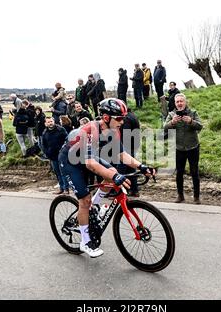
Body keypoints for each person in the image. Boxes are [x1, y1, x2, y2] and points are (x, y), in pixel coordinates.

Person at [58, 98, 155, 258]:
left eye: (123, 118)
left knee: (112, 173)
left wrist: (141, 166)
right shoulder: (89, 130)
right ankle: (85, 241)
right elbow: (90, 165)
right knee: (85, 200)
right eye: (119, 118)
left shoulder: (113, 131)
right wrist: (115, 176)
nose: (122, 122)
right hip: (70, 161)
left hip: (87, 157)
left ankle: (95, 205)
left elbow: (122, 155)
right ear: (106, 118)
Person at [164, 93, 203, 204]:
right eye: (177, 102)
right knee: (179, 172)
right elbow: (164, 127)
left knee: (194, 172)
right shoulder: (171, 114)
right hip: (178, 148)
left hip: (193, 147)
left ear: (185, 102)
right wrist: (172, 122)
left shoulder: (193, 113)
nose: (179, 103)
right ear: (175, 104)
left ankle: (196, 197)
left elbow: (200, 126)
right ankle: (180, 196)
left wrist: (191, 121)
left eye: (181, 101)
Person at [40, 117, 69, 195]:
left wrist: (64, 151)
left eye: (51, 121)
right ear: (46, 123)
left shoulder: (61, 130)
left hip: (62, 155)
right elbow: (43, 144)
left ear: (54, 121)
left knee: (63, 172)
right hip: (52, 156)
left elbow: (67, 140)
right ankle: (61, 188)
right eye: (48, 122)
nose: (50, 123)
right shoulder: (45, 132)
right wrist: (46, 153)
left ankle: (66, 189)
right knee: (57, 173)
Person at [118, 107, 141, 197]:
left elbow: (126, 133)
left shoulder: (126, 118)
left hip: (127, 146)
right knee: (131, 169)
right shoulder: (133, 116)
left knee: (121, 169)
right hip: (133, 145)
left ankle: (121, 191)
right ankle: (134, 190)